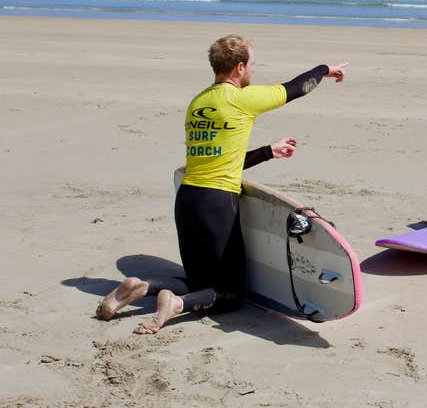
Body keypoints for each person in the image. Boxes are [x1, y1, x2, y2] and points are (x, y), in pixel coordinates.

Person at [96, 34, 348, 334]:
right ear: (239, 67)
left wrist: (269, 151)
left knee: (198, 280)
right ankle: (176, 305)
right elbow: (295, 88)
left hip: (188, 198)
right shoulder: (241, 99)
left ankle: (142, 287)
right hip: (217, 203)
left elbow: (219, 159)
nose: (253, 70)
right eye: (252, 64)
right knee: (229, 293)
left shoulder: (198, 102)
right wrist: (325, 69)